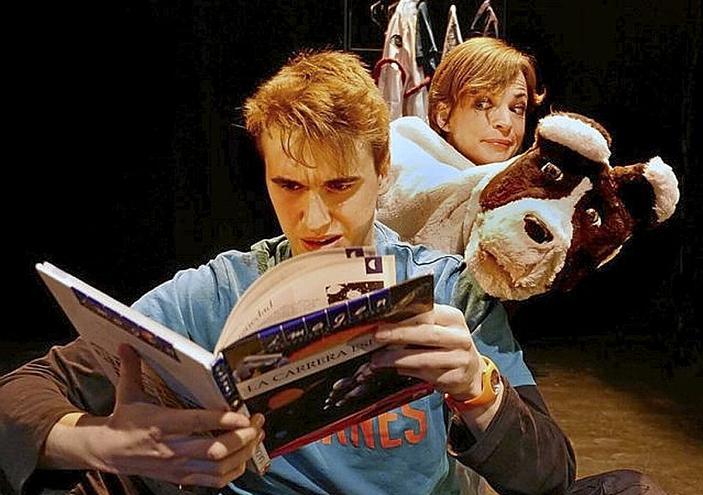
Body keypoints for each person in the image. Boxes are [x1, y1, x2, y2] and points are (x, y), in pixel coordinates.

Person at [0, 50, 576, 495]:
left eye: (340, 185)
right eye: (289, 185)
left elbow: (551, 474)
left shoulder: (450, 291)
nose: (314, 219)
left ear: (382, 171)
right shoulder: (218, 291)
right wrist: (100, 445)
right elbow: (19, 393)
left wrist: (478, 387)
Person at [427, 37, 545, 165]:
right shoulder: (416, 173)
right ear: (444, 116)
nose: (506, 123)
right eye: (482, 104)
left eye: (517, 109)